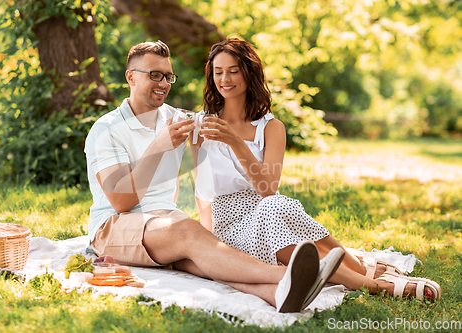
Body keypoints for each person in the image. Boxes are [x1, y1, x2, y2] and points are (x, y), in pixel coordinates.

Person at [84, 40, 344, 313]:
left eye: (168, 76)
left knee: (212, 260)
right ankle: (288, 275)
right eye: (154, 75)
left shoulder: (175, 119)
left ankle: (279, 295)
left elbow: (212, 159)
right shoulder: (107, 130)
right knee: (190, 232)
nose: (163, 83)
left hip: (162, 221)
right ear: (130, 76)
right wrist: (159, 147)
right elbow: (121, 202)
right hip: (114, 227)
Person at [192, 38, 441, 304]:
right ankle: (369, 283)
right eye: (218, 72)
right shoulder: (201, 124)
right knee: (275, 210)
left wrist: (235, 141)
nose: (224, 79)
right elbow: (202, 186)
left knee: (274, 205)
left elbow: (268, 189)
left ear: (249, 72)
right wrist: (208, 239)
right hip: (229, 226)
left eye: (233, 70)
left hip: (267, 211)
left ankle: (357, 268)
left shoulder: (271, 128)